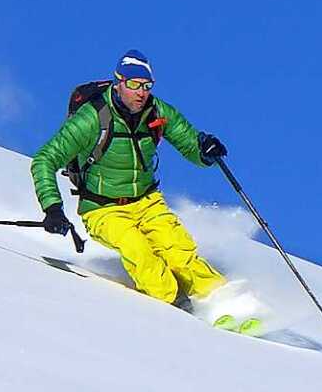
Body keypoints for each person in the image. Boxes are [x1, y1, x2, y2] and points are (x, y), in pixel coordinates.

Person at [31, 50, 229, 311]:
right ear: (119, 82)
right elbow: (45, 159)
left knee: (178, 251)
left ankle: (223, 300)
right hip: (103, 209)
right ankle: (177, 306)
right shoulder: (92, 118)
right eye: (134, 85)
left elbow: (189, 143)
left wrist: (205, 151)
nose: (141, 92)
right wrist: (53, 208)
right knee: (138, 251)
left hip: (147, 201)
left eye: (147, 86)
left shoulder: (156, 110)